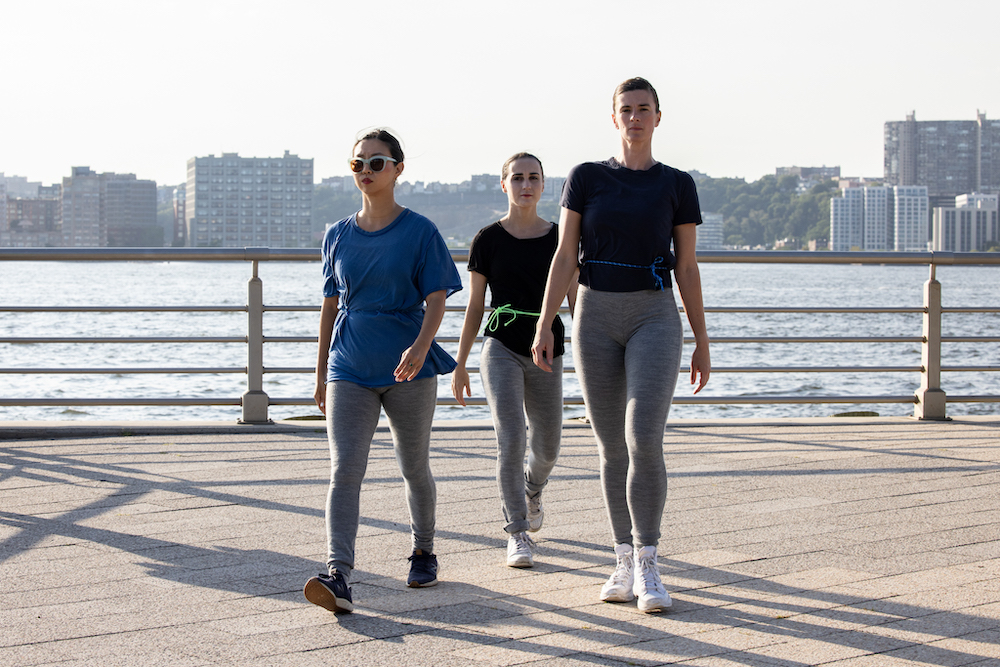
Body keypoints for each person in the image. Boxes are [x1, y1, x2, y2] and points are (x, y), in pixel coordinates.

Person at [531, 77, 711, 613]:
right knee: (610, 447)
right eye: (625, 109)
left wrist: (702, 339)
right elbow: (565, 256)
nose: (634, 117)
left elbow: (687, 265)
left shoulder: (677, 184)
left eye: (644, 109)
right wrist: (545, 324)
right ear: (615, 118)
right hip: (593, 316)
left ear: (658, 117)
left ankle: (651, 562)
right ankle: (623, 560)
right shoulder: (586, 177)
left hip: (654, 315)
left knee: (642, 438)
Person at [303, 129, 462, 614]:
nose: (367, 172)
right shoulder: (337, 234)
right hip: (348, 365)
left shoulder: (420, 231)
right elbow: (330, 306)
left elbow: (437, 295)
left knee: (413, 465)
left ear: (397, 168)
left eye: (376, 162)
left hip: (408, 367)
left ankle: (423, 550)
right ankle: (340, 576)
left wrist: (421, 346)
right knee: (344, 470)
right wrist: (320, 374)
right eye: (358, 165)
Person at [451, 153, 578, 568]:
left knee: (548, 443)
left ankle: (533, 487)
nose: (526, 184)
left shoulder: (561, 239)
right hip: (500, 347)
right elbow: (474, 307)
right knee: (511, 438)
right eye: (518, 177)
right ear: (504, 185)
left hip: (547, 349)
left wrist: (600, 351)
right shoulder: (487, 239)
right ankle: (517, 533)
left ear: (544, 186)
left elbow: (576, 301)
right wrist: (461, 361)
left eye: (534, 178)